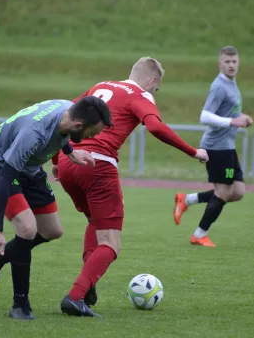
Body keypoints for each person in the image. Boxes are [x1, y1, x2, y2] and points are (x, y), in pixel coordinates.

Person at [52, 57, 209, 317]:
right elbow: (156, 127)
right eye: (155, 89)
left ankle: (88, 284)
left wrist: (57, 160)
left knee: (95, 223)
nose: (153, 93)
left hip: (71, 163)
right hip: (98, 166)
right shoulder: (141, 95)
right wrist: (193, 152)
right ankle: (76, 296)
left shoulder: (101, 85)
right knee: (112, 243)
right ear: (152, 81)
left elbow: (64, 116)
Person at [0, 96, 112, 320]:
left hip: (30, 168)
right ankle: (20, 304)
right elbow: (6, 177)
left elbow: (61, 134)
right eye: (91, 133)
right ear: (78, 125)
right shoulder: (32, 135)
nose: (92, 137)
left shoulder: (68, 110)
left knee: (52, 230)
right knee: (26, 230)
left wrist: (70, 153)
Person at [173, 46, 253, 247]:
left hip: (227, 146)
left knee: (238, 191)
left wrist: (239, 117)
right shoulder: (219, 86)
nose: (231, 65)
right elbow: (205, 116)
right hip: (216, 147)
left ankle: (186, 200)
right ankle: (199, 235)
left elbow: (227, 112)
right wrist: (232, 122)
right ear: (220, 63)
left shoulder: (231, 84)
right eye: (227, 61)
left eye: (234, 61)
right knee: (224, 192)